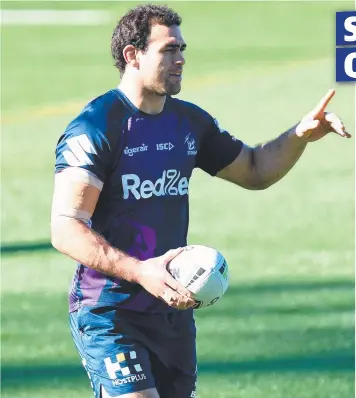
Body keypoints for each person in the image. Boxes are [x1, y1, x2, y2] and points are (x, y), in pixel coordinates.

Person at [50, 4, 350, 398]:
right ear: (132, 55)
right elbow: (65, 226)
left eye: (182, 49)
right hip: (110, 311)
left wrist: (299, 135)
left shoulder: (189, 123)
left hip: (173, 311)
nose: (181, 59)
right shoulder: (96, 127)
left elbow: (256, 169)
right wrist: (142, 272)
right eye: (169, 50)